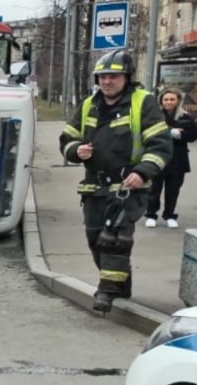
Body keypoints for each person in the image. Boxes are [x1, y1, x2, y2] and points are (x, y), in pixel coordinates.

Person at [59, 49, 173, 313]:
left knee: (115, 240)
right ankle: (121, 285)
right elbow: (67, 138)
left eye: (113, 76)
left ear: (127, 77)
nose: (107, 81)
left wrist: (143, 171)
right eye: (102, 77)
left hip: (127, 186)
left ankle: (107, 292)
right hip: (94, 186)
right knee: (95, 239)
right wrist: (75, 150)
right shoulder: (89, 104)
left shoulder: (143, 102)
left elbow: (160, 144)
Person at [144, 88, 197, 229]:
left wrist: (180, 135)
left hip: (178, 159)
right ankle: (151, 215)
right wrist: (170, 131)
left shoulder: (185, 117)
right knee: (154, 189)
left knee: (173, 190)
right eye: (166, 99)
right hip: (158, 157)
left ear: (178, 100)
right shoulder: (154, 116)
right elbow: (148, 131)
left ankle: (169, 215)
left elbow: (194, 133)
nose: (169, 102)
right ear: (161, 101)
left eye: (172, 99)